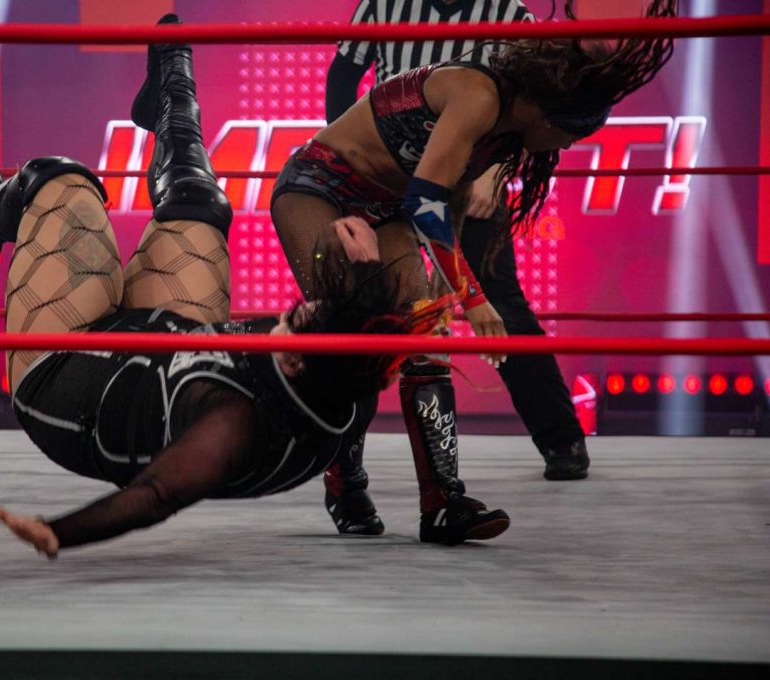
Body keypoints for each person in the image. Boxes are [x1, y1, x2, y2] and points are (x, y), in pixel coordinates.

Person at [0, 17, 483, 557]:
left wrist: (57, 533)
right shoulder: (342, 389)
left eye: (294, 321)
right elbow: (362, 341)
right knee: (199, 203)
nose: (289, 313)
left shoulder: (229, 426)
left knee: (62, 182)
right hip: (160, 346)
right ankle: (171, 96)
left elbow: (154, 495)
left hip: (64, 375)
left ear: (294, 362)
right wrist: (352, 261)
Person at [271, 0, 676, 543]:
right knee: (354, 335)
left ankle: (442, 501)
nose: (567, 146)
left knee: (427, 336)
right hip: (320, 187)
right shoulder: (479, 95)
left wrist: (448, 292)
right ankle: (345, 484)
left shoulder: (506, 133)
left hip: (388, 206)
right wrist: (473, 297)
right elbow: (425, 203)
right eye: (568, 133)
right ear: (546, 114)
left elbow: (446, 207)